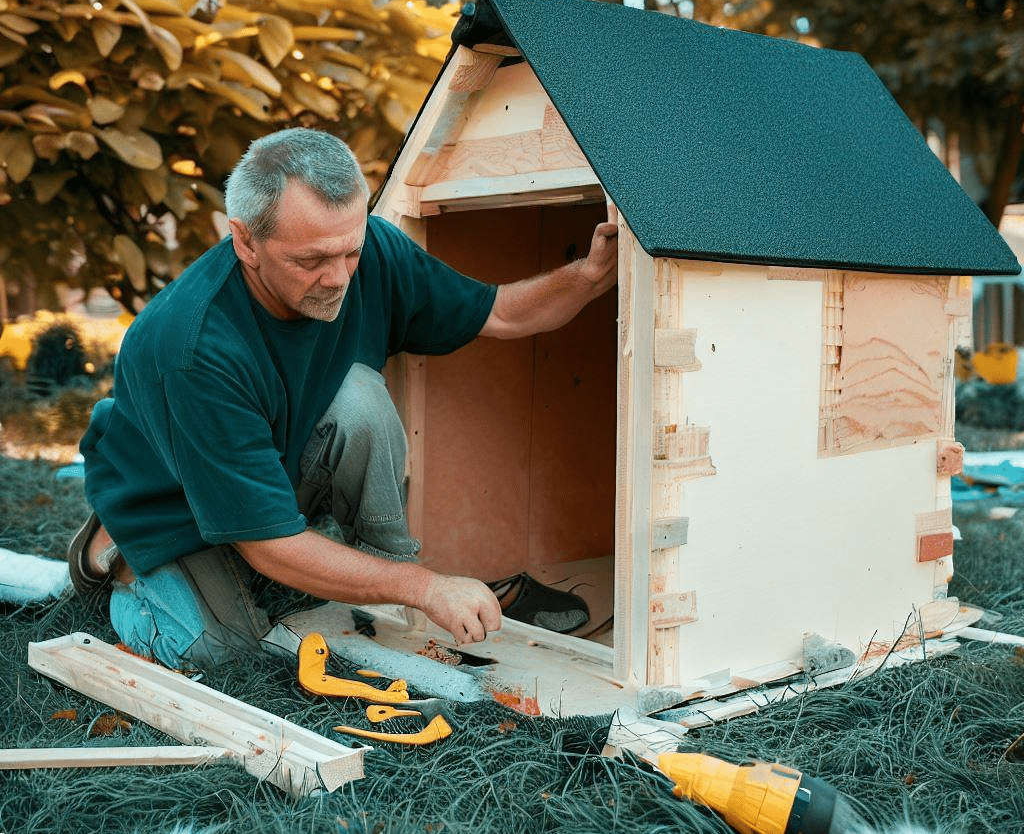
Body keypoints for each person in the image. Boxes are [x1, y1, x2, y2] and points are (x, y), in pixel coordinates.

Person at [68, 127, 618, 670]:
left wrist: (590, 275)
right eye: (311, 261)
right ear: (245, 242)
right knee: (222, 650)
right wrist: (426, 586)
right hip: (171, 504)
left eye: (349, 251)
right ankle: (118, 561)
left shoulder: (369, 251)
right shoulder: (192, 348)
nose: (338, 278)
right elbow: (269, 544)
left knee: (359, 396)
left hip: (264, 470)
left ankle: (385, 591)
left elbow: (498, 311)